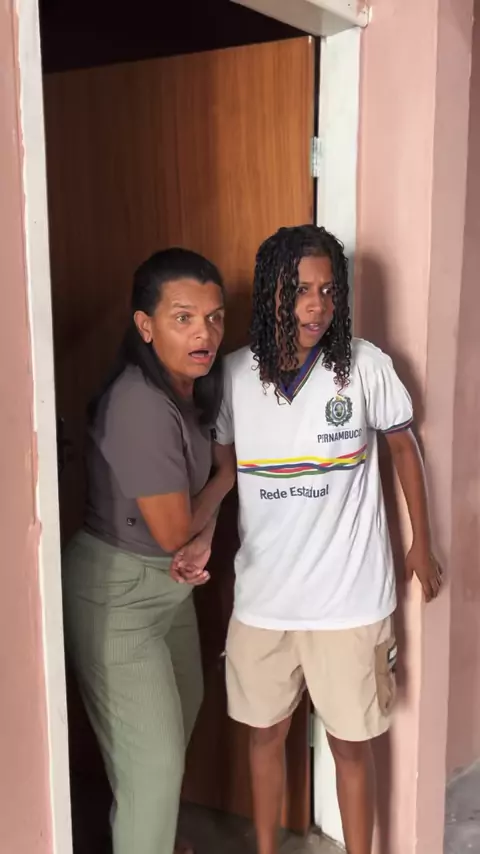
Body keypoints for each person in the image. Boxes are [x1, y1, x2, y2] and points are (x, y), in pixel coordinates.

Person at [175, 225, 442, 854]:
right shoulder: (235, 375)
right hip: (264, 601)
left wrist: (421, 543)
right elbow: (225, 474)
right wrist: (200, 533)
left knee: (351, 744)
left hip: (350, 602)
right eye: (300, 290)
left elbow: (404, 448)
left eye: (328, 290)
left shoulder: (364, 366)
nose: (316, 306)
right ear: (272, 292)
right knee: (264, 736)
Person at [62, 248, 235, 854]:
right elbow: (173, 529)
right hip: (119, 595)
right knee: (155, 765)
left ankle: (145, 836)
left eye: (213, 317)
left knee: (166, 739)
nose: (203, 334)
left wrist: (204, 533)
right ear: (145, 325)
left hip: (169, 586)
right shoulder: (139, 402)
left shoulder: (190, 388)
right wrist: (227, 476)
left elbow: (188, 526)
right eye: (183, 318)